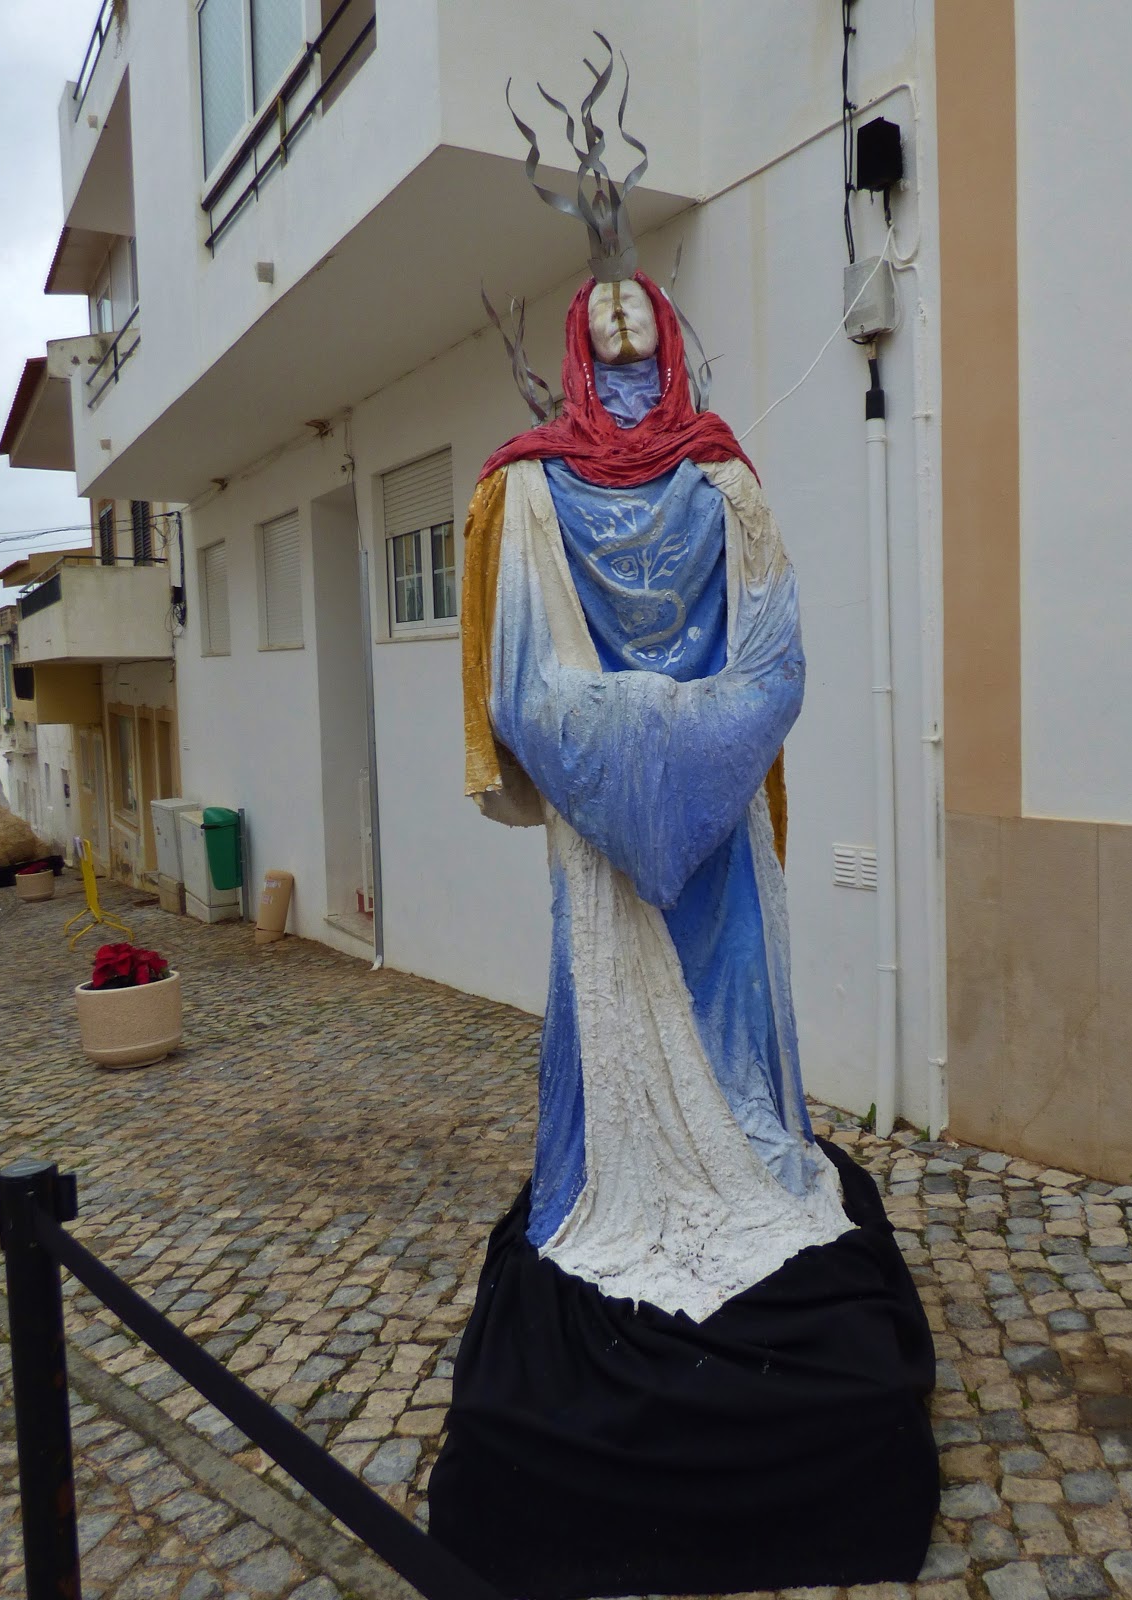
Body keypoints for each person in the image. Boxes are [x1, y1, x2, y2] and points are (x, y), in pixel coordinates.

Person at [428, 49, 938, 1598]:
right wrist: (643, 744)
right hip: (608, 838)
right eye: (599, 317)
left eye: (639, 309)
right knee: (618, 1048)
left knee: (733, 1042)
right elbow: (524, 680)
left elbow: (772, 655)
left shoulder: (724, 479)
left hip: (714, 827)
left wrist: (679, 746)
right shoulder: (528, 494)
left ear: (668, 324)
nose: (622, 324)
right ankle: (634, 1175)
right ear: (574, 345)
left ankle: (733, 1162)